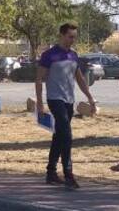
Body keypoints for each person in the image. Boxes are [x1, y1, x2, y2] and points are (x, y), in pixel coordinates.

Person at [34, 23, 97, 189]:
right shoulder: (49, 55)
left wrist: (90, 98)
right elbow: (39, 79)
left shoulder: (73, 56)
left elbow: (80, 79)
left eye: (75, 37)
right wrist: (40, 103)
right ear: (61, 35)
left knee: (59, 135)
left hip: (69, 100)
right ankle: (68, 173)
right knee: (67, 135)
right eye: (70, 36)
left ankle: (51, 172)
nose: (73, 40)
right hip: (55, 99)